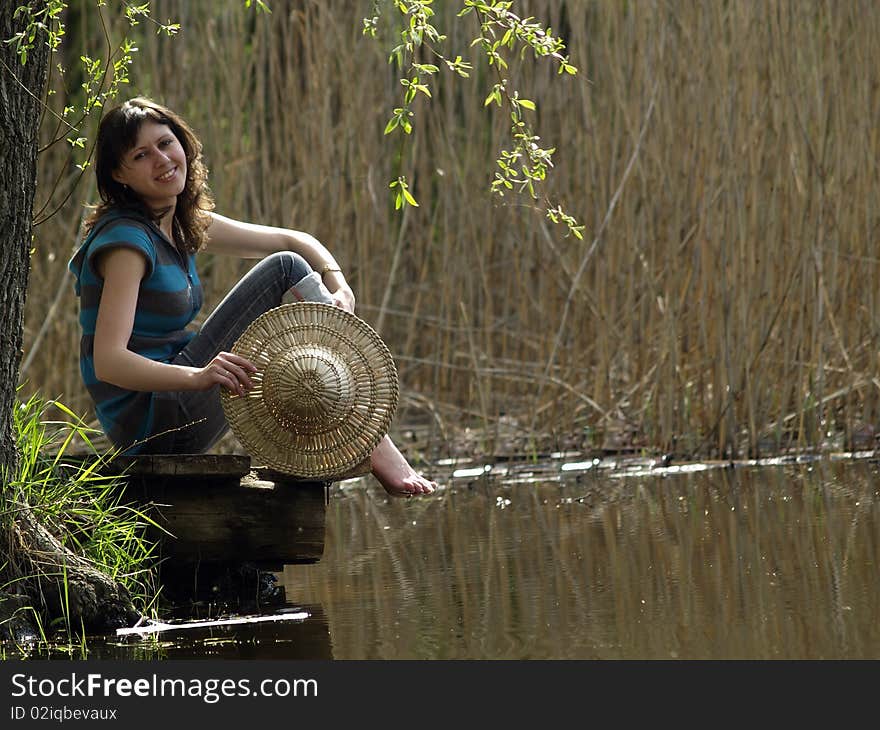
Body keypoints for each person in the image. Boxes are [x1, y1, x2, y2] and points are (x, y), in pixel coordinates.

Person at [69, 97, 435, 497]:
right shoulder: (127, 244)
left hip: (173, 409)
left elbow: (292, 238)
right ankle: (370, 441)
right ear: (120, 174)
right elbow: (109, 361)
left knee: (288, 274)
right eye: (141, 155)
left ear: (183, 144)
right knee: (284, 270)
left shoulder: (177, 222)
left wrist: (338, 284)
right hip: (156, 422)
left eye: (165, 143)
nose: (161, 159)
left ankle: (343, 442)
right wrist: (199, 376)